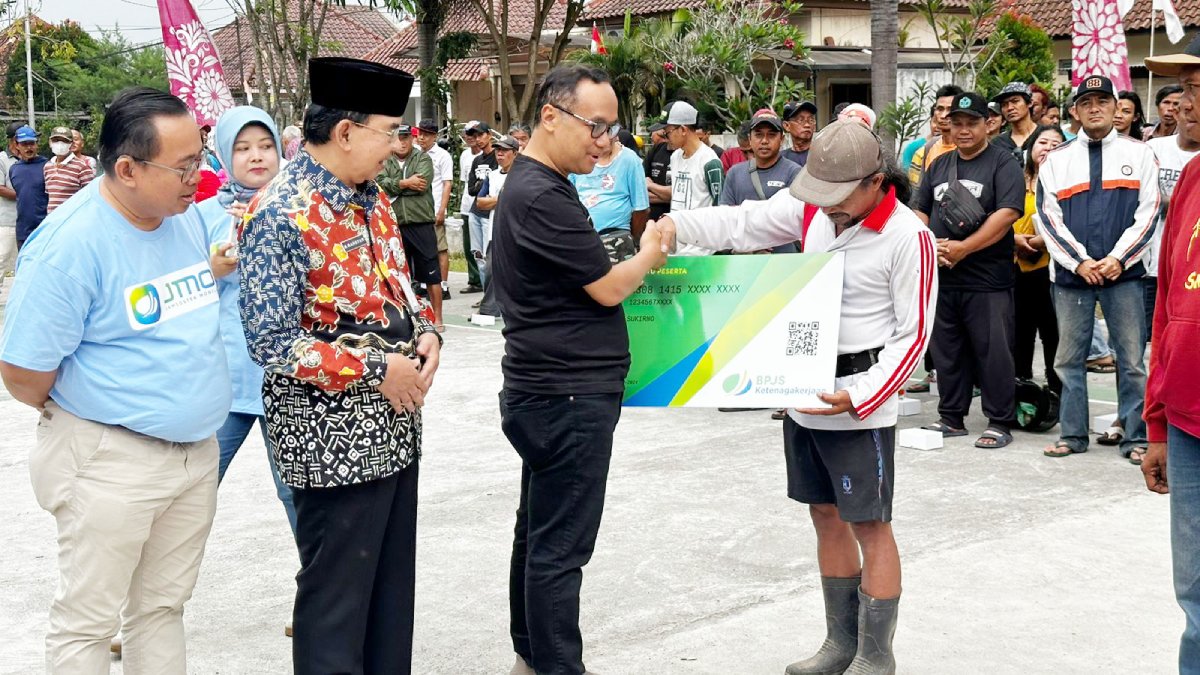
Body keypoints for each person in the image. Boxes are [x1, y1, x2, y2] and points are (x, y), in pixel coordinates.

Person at [656, 119, 937, 675]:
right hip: (801, 383)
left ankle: (876, 658)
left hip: (858, 399)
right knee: (824, 515)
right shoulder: (813, 209)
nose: (826, 207)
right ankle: (839, 644)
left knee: (870, 525)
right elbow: (743, 222)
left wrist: (859, 394)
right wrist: (673, 225)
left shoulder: (909, 237)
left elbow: (914, 335)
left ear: (875, 182)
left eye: (839, 197)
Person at [0, 86, 229, 673]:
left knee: (162, 609)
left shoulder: (181, 220)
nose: (195, 177)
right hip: (108, 461)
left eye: (199, 159)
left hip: (192, 457)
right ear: (126, 168)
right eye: (182, 167)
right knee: (88, 623)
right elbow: (24, 374)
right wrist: (103, 411)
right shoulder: (69, 246)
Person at [238, 57, 441, 674]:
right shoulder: (279, 211)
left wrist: (427, 330)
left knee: (388, 595)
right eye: (390, 130)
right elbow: (270, 342)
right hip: (332, 442)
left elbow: (396, 287)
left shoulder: (372, 199)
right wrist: (376, 370)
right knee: (335, 604)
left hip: (395, 429)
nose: (399, 145)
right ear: (347, 131)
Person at [491, 63, 667, 675]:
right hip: (565, 396)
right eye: (595, 126)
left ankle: (530, 655)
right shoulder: (540, 193)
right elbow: (610, 287)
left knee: (538, 533)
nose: (604, 141)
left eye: (612, 129)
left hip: (548, 391)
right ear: (550, 116)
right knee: (561, 548)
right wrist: (651, 251)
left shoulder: (541, 184)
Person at [1036, 74, 1159, 461]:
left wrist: (1118, 259)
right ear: (1075, 110)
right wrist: (1080, 261)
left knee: (1132, 360)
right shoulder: (1056, 160)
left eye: (1102, 101)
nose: (1094, 108)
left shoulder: (1140, 154)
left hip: (1125, 274)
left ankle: (1135, 438)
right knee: (1069, 360)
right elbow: (1047, 218)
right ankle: (1073, 436)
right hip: (1073, 278)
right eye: (1086, 102)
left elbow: (1149, 213)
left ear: (1116, 108)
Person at [196, 106, 297, 537]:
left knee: (298, 494)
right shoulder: (201, 217)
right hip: (227, 379)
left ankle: (326, 597)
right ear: (223, 155)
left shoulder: (302, 210)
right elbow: (183, 296)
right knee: (193, 492)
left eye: (264, 146)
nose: (256, 156)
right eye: (242, 148)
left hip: (289, 377)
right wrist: (212, 271)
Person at [914, 92, 1024, 448]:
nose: (963, 130)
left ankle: (999, 420)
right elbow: (920, 210)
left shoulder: (1002, 162)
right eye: (956, 123)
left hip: (988, 278)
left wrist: (964, 248)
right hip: (944, 275)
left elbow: (1007, 215)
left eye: (971, 123)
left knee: (993, 350)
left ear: (988, 124)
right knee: (947, 350)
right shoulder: (939, 165)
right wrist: (932, 244)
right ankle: (951, 417)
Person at [1141, 32, 1200, 675]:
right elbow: (1166, 306)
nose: (1183, 102)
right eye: (1184, 89)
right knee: (1197, 598)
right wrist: (1156, 422)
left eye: (1197, 87)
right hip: (1187, 424)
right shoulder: (1190, 176)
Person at [1012, 125, 1067, 395]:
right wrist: (1014, 239)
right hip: (1014, 264)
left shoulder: (1067, 181)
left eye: (1055, 144)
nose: (1047, 148)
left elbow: (1071, 221)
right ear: (1031, 147)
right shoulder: (1014, 178)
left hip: (1050, 266)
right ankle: (1021, 388)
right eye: (1042, 142)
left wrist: (1041, 241)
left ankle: (1055, 389)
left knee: (1051, 332)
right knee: (1019, 330)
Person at [378, 124, 444, 329]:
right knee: (398, 272)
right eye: (399, 137)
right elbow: (380, 182)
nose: (403, 142)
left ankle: (438, 318)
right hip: (394, 224)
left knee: (431, 270)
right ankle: (407, 318)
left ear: (412, 139)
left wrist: (395, 184)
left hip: (421, 221)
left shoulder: (422, 158)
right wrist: (406, 183)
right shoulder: (385, 160)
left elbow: (422, 184)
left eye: (406, 137)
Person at [570, 125, 650, 260]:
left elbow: (641, 209)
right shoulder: (579, 158)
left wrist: (633, 240)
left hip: (617, 238)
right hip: (581, 238)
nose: (602, 142)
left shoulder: (629, 160)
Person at [647, 101, 722, 218]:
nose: (666, 139)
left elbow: (720, 205)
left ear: (683, 130)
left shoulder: (709, 161)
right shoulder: (675, 157)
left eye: (667, 133)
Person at [473, 134, 520, 317]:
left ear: (515, 154)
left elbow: (517, 199)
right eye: (498, 150)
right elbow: (479, 203)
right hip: (496, 230)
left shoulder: (521, 175)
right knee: (490, 269)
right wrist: (501, 199)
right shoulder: (492, 176)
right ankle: (491, 308)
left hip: (517, 231)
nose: (499, 154)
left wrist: (494, 200)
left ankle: (493, 309)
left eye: (504, 151)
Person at [416, 118, 455, 300]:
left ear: (434, 136)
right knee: (424, 249)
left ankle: (444, 285)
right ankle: (425, 283)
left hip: (435, 207)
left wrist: (442, 210)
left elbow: (447, 184)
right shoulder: (415, 154)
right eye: (420, 134)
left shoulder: (442, 156)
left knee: (440, 248)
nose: (421, 138)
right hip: (419, 210)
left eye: (426, 134)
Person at [908, 84, 964, 189]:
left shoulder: (970, 149)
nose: (943, 116)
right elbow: (915, 192)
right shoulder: (924, 151)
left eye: (950, 109)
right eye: (940, 109)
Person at [466, 122, 498, 284]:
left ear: (489, 134)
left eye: (480, 135)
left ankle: (493, 297)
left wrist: (481, 185)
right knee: (478, 254)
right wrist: (481, 184)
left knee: (489, 254)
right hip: (475, 211)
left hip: (490, 212)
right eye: (475, 136)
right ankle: (485, 295)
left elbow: (496, 185)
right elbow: (471, 189)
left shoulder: (498, 156)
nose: (477, 139)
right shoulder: (476, 160)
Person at [10, 125, 48, 248]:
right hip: (23, 231)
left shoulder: (48, 166)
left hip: (45, 228)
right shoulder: (14, 169)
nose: (28, 148)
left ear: (37, 144)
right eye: (24, 144)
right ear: (17, 145)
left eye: (31, 143)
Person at [458, 121, 484, 293]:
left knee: (484, 248)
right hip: (467, 205)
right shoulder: (464, 156)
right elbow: (464, 182)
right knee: (469, 247)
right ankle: (474, 280)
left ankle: (485, 283)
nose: (471, 138)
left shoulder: (489, 154)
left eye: (475, 134)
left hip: (484, 206)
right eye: (468, 134)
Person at [44, 126, 96, 213]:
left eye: (65, 141)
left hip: (73, 220)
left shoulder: (82, 167)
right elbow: (51, 196)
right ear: (50, 142)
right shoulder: (47, 166)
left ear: (71, 144)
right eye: (56, 140)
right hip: (53, 221)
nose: (60, 144)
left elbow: (91, 196)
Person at [992, 82, 1039, 165]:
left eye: (1015, 101)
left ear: (1030, 103)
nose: (1010, 108)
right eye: (1004, 104)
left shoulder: (1047, 135)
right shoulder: (997, 143)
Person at [644, 114, 674, 220]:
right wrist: (665, 195)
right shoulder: (656, 150)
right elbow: (641, 190)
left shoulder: (683, 155)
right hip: (652, 219)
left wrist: (651, 186)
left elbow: (677, 195)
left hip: (673, 219)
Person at [0, 123, 19, 287]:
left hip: (28, 221)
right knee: (2, 258)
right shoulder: (2, 159)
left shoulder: (33, 160)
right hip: (7, 220)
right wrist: (25, 196)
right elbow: (0, 188)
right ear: (14, 141)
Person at [781, 100, 818, 166]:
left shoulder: (822, 155)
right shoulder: (780, 159)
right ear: (787, 126)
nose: (807, 125)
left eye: (811, 120)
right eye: (801, 120)